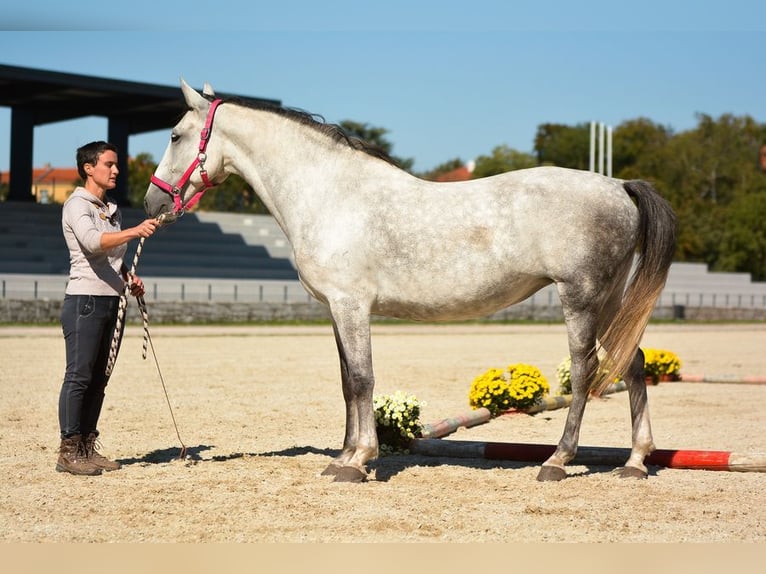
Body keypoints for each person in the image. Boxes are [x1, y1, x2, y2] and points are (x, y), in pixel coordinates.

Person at [57, 140, 159, 476]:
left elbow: (111, 259)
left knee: (99, 379)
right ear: (89, 168)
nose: (116, 170)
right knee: (79, 377)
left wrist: (129, 277)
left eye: (116, 165)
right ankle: (69, 451)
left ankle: (87, 446)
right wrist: (134, 231)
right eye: (109, 165)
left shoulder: (110, 208)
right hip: (85, 301)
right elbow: (91, 243)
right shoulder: (77, 205)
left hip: (113, 301)